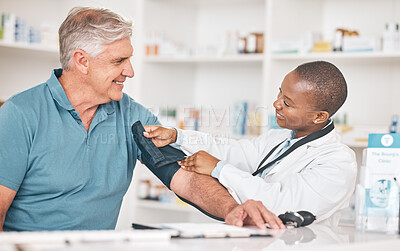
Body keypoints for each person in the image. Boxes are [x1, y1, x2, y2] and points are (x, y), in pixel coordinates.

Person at [0, 7, 285, 231]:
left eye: (129, 59)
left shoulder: (132, 116)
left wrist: (231, 209)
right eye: (118, 61)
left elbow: (183, 177)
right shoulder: (21, 115)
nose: (130, 71)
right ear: (82, 61)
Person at [144, 61, 358, 226]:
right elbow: (236, 150)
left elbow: (281, 204)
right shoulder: (279, 138)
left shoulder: (338, 161)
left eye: (287, 103)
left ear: (319, 116)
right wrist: (177, 137)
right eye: (280, 93)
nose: (276, 103)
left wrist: (219, 169)